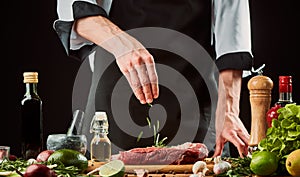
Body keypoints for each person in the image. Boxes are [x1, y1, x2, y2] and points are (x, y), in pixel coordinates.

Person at [54, 0, 253, 158]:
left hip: (194, 98)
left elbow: (233, 42)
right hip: (115, 97)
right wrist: (123, 45)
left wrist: (228, 111)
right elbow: (78, 12)